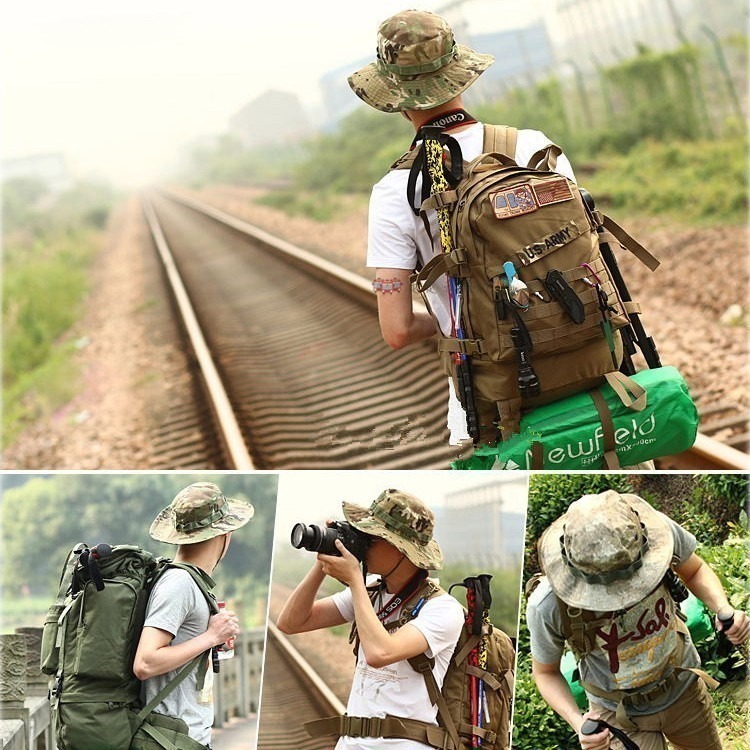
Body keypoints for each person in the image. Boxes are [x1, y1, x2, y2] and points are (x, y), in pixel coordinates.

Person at [348, 9, 576, 445]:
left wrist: (463, 318)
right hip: (590, 362)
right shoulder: (533, 145)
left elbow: (396, 331)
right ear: (459, 77)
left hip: (492, 398)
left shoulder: (397, 190)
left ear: (396, 97)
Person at [526, 490, 750, 750]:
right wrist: (578, 723)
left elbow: (695, 569)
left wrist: (723, 606)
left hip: (683, 688)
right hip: (618, 715)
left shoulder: (660, 536)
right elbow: (545, 673)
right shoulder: (548, 604)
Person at [277, 488, 465, 750]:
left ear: (401, 549)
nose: (363, 543)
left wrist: (355, 579)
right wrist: (324, 559)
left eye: (371, 537)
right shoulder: (371, 593)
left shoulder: (442, 609)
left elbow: (380, 653)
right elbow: (291, 622)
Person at [133, 482, 255, 749]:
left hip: (184, 738)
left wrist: (212, 639)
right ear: (225, 533)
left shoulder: (191, 582)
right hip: (171, 740)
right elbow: (145, 663)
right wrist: (211, 637)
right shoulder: (179, 584)